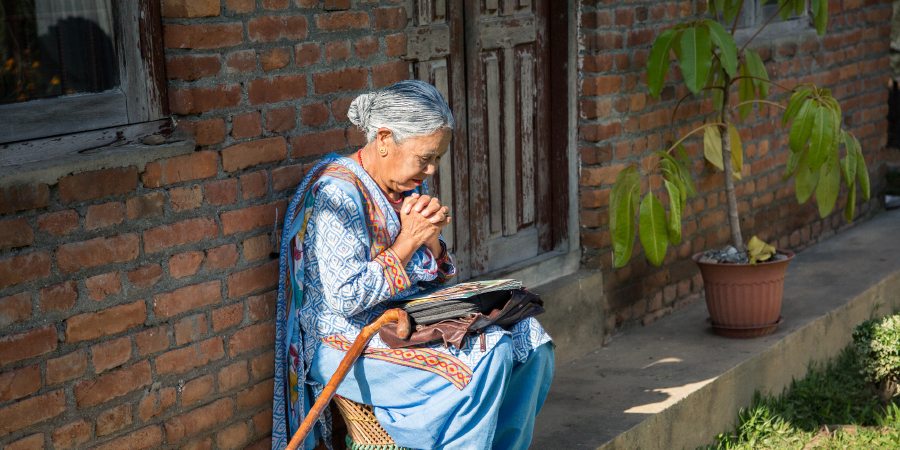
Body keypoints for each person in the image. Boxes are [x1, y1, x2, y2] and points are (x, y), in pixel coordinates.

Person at [271, 80, 554, 450]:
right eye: (426, 158)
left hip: (408, 321)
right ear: (385, 139)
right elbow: (345, 296)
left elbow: (431, 275)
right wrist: (407, 241)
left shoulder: (406, 187)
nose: (433, 170)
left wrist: (432, 242)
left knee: (532, 343)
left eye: (438, 158)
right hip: (345, 338)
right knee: (491, 354)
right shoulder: (336, 192)